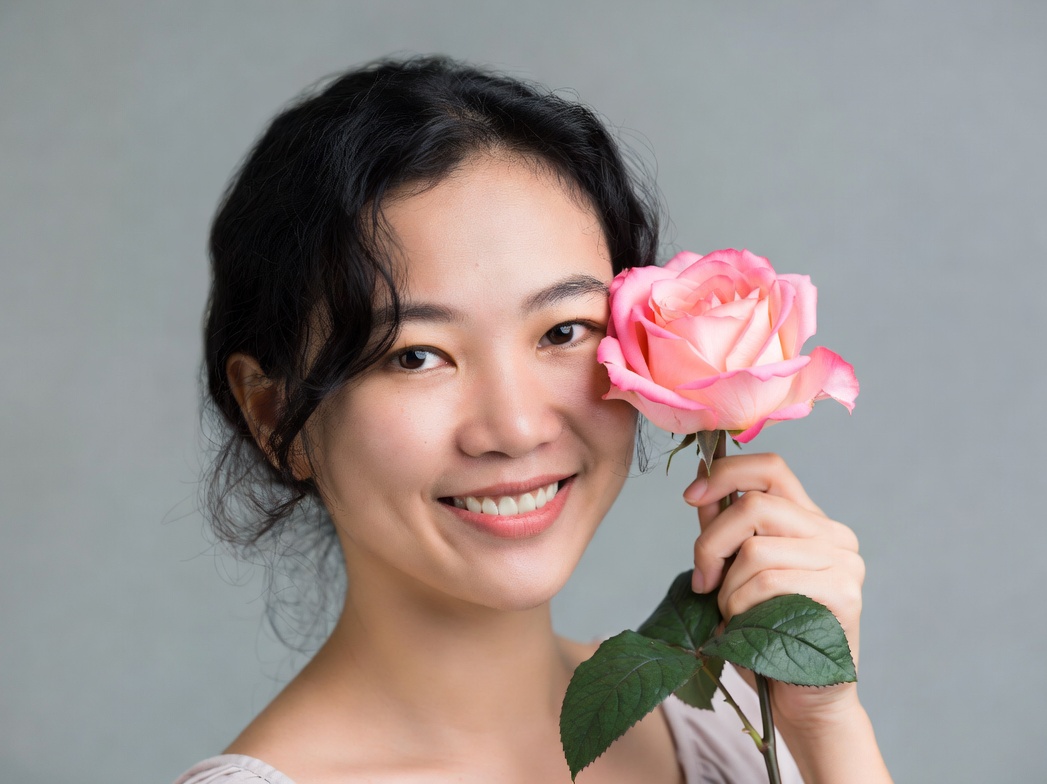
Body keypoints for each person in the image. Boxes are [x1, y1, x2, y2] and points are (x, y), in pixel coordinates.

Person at [175, 56, 892, 783]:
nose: (516, 428)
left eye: (562, 332)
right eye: (417, 356)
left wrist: (829, 728)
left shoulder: (726, 717)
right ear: (273, 417)